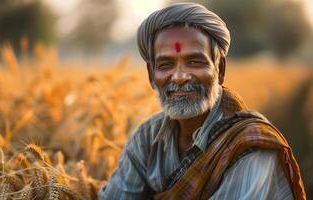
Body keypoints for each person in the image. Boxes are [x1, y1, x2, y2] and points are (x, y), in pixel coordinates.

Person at [99, 3, 306, 200]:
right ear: (151, 75)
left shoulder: (251, 146)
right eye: (166, 64)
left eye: (194, 62)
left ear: (220, 69)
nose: (179, 77)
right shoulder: (147, 138)